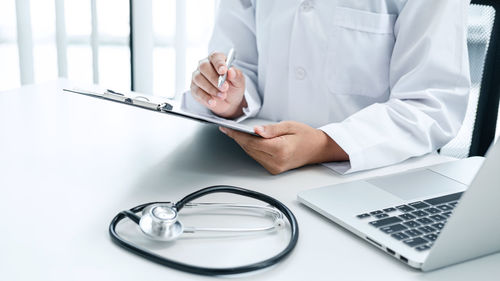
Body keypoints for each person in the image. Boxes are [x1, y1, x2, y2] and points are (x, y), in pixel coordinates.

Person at [185, 0, 471, 175]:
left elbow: (431, 104)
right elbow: (242, 61)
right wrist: (232, 96)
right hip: (257, 170)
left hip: (373, 179)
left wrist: (323, 145)